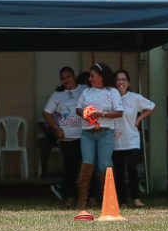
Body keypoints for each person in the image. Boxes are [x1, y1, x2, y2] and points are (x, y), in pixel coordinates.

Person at [75, 62, 123, 215]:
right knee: (87, 163)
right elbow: (78, 108)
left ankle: (108, 200)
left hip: (106, 132)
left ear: (102, 76)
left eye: (93, 76)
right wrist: (85, 114)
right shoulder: (86, 92)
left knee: (104, 165)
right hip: (87, 133)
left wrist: (101, 114)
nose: (90, 79)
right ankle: (82, 200)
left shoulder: (112, 92)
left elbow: (119, 112)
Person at [42, 66, 86, 206]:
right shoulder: (57, 95)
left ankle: (90, 197)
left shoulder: (84, 89)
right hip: (67, 137)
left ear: (74, 76)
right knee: (70, 168)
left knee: (88, 166)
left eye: (68, 76)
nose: (66, 80)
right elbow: (46, 113)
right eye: (63, 78)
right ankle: (69, 197)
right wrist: (56, 128)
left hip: (85, 135)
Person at [112, 69, 155, 208]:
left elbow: (151, 106)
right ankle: (122, 201)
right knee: (119, 172)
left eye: (123, 79)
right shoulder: (111, 97)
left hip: (132, 140)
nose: (121, 82)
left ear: (128, 82)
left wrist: (139, 119)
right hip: (116, 141)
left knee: (132, 169)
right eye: (118, 79)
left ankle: (136, 198)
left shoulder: (135, 97)